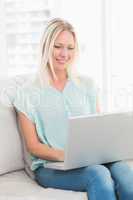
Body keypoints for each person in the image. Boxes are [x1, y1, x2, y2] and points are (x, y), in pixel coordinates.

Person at [13, 18, 133, 200]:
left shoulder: (87, 85)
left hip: (92, 159)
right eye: (58, 46)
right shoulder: (27, 93)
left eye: (70, 48)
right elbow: (33, 146)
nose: (64, 54)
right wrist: (69, 157)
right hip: (51, 167)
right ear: (46, 46)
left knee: (125, 172)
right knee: (97, 174)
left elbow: (98, 128)